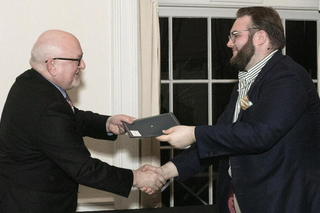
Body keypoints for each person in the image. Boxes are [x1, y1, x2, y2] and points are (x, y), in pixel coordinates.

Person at [144, 6, 320, 213]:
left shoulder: (287, 78)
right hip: (247, 199)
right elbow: (223, 138)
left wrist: (193, 133)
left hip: (282, 200)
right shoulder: (247, 81)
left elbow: (261, 134)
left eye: (235, 35)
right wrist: (165, 172)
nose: (229, 43)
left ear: (260, 37)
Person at [0, 30, 165, 213]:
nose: (83, 65)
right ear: (52, 65)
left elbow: (70, 117)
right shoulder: (48, 107)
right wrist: (136, 178)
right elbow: (85, 169)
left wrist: (107, 123)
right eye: (77, 59)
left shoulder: (29, 82)